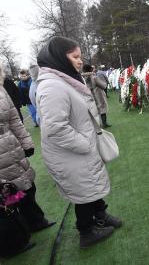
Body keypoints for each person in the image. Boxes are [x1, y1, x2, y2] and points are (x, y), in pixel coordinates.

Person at [36, 36, 121, 249]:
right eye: (75, 56)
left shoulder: (65, 79)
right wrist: (85, 143)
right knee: (83, 191)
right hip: (72, 152)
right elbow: (55, 128)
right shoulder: (52, 86)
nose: (80, 60)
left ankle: (100, 216)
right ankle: (86, 231)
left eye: (80, 56)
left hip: (80, 149)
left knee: (90, 185)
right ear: (59, 58)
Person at [0, 65, 55, 254]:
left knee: (26, 186)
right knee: (6, 196)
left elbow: (15, 118)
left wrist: (26, 142)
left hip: (11, 146)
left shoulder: (2, 90)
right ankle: (13, 242)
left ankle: (35, 222)